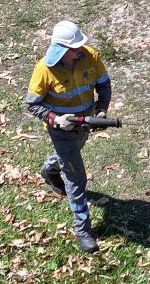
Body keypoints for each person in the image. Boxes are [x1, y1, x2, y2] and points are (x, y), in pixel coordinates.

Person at [25, 19, 112, 253]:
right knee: (76, 178)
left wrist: (101, 109)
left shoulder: (91, 56)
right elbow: (32, 104)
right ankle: (82, 229)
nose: (80, 51)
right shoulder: (44, 69)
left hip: (85, 125)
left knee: (69, 157)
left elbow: (104, 85)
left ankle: (51, 168)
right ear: (61, 50)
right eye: (74, 49)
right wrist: (54, 118)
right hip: (61, 132)